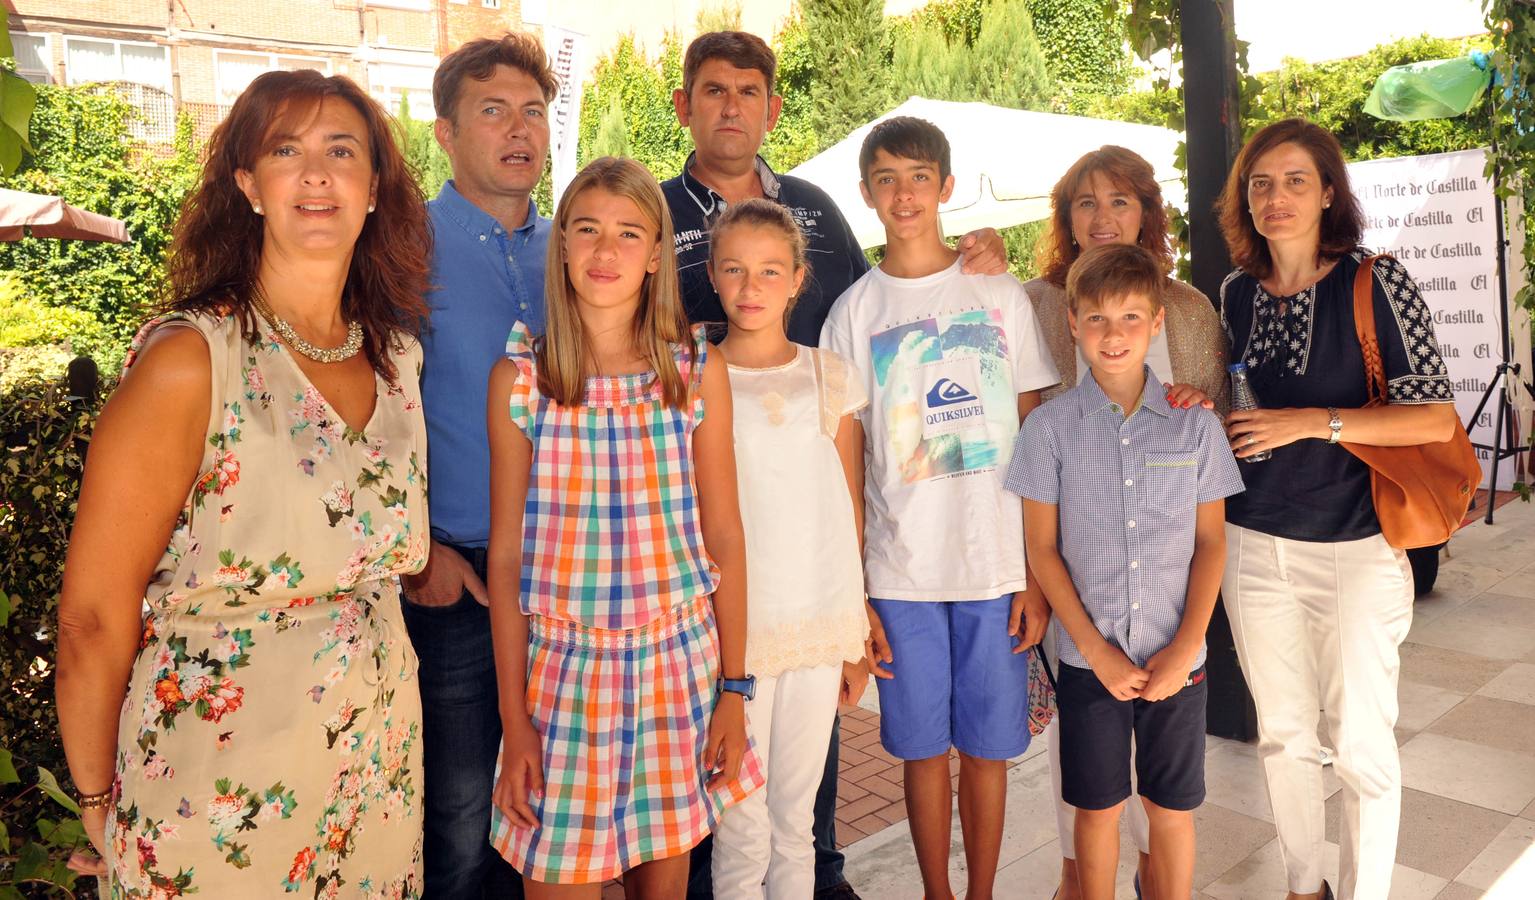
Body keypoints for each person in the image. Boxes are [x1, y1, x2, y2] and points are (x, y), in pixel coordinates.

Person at [56, 69, 432, 895]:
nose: (317, 173)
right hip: (216, 789)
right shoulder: (193, 361)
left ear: (374, 190)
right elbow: (91, 615)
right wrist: (95, 795)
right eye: (285, 150)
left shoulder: (398, 360)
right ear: (248, 186)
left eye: (342, 151)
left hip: (377, 773)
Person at [666, 35, 1010, 900]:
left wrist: (983, 267)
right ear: (685, 105)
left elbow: (892, 313)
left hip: (821, 595)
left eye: (750, 91)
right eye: (713, 91)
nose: (732, 107)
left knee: (798, 803)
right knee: (732, 812)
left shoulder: (819, 217)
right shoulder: (657, 217)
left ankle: (819, 879)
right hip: (726, 603)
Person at [484, 156, 765, 897]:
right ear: (563, 246)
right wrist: (514, 721)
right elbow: (507, 557)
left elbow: (725, 538)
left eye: (628, 234)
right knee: (557, 876)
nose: (605, 252)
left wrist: (734, 690)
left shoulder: (693, 370)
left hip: (678, 669)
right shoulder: (523, 378)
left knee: (663, 882)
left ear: (652, 256)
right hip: (563, 678)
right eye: (587, 230)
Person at [1216, 118, 1458, 900]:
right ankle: (1300, 886)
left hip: (1355, 545)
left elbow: (1432, 417)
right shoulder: (1235, 294)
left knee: (1359, 746)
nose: (1274, 197)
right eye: (1259, 183)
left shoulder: (1374, 280)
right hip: (1252, 545)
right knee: (1282, 739)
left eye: (1293, 181)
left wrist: (1311, 422)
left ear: (1327, 192)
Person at [820, 117, 1059, 900]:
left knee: (988, 752)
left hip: (995, 568)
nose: (903, 193)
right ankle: (937, 893)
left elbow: (1033, 441)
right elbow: (845, 466)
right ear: (865, 195)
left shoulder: (997, 293)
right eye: (885, 179)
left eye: (918, 176)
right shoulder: (851, 314)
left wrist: (1035, 573)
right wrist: (854, 591)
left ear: (945, 187)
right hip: (901, 574)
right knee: (921, 752)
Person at [1008, 243, 1245, 900]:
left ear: (1156, 323)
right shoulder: (1048, 430)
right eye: (1096, 320)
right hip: (1092, 666)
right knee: (1097, 809)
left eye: (1131, 318)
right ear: (1072, 325)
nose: (1113, 336)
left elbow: (1210, 545)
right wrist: (1094, 651)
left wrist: (1183, 649)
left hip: (1179, 659)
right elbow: (1042, 550)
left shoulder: (1193, 427)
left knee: (1170, 810)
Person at [402, 32, 557, 898]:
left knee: (547, 809)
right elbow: (364, 418)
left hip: (568, 586)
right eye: (492, 110)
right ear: (446, 133)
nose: (517, 130)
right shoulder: (398, 248)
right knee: (458, 822)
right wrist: (419, 550)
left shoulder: (574, 246)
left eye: (532, 111)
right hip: (457, 582)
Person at [706, 199, 871, 899]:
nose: (751, 288)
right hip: (733, 631)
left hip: (815, 620)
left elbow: (849, 508)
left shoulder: (827, 375)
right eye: (735, 270)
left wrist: (854, 632)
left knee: (795, 821)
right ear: (712, 274)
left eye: (769, 271)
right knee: (738, 826)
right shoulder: (692, 374)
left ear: (798, 279)